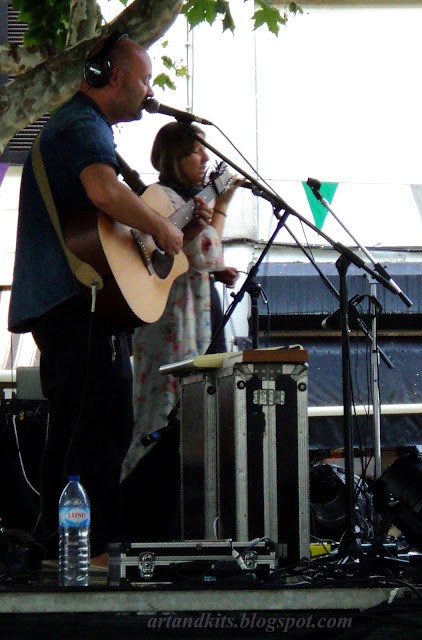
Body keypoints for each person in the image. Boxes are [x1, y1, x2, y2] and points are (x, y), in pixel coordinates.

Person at [7, 33, 211, 563]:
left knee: (75, 424)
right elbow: (105, 193)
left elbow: (112, 229)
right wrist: (161, 229)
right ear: (115, 78)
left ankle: (58, 545)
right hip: (76, 300)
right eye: (144, 79)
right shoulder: (81, 125)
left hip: (68, 299)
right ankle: (87, 546)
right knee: (105, 419)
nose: (149, 91)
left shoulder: (83, 127)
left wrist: (174, 234)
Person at [118, 122, 241, 542]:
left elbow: (201, 255)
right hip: (170, 324)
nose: (205, 160)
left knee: (191, 419)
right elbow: (196, 248)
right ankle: (144, 523)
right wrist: (221, 208)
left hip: (195, 317)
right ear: (174, 157)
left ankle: (179, 527)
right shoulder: (159, 199)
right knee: (163, 419)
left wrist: (210, 251)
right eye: (196, 152)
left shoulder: (188, 201)